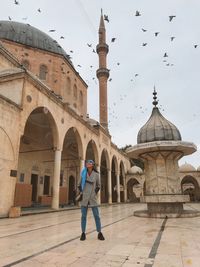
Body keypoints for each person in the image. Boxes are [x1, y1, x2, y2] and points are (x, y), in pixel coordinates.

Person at [78, 159, 105, 241]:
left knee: (96, 216)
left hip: (92, 197)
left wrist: (94, 193)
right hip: (85, 197)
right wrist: (82, 192)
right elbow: (79, 185)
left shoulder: (96, 174)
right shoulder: (83, 173)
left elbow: (99, 186)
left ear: (92, 165)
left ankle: (99, 232)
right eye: (86, 163)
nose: (87, 164)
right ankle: (83, 233)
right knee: (83, 216)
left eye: (89, 163)